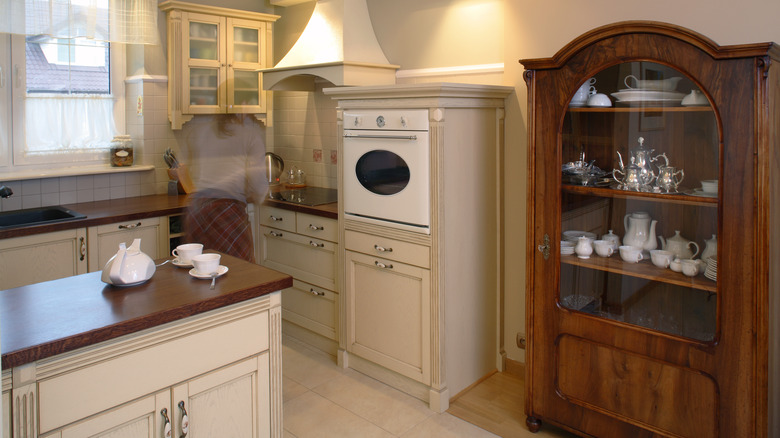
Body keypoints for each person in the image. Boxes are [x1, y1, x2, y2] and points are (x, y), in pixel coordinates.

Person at [179, 114, 268, 262]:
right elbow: (258, 185)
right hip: (226, 212)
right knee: (240, 271)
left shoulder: (199, 131)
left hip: (197, 210)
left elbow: (190, 169)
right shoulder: (250, 135)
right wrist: (258, 195)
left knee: (198, 270)